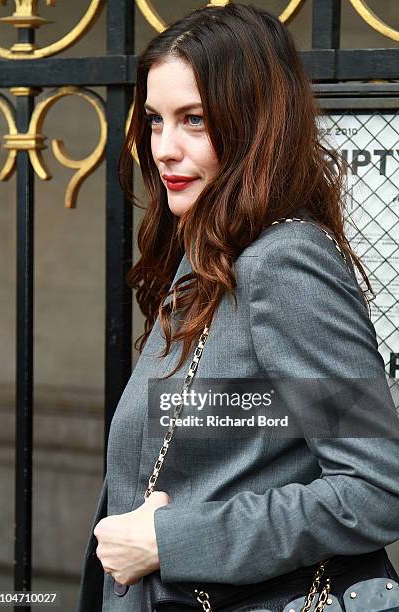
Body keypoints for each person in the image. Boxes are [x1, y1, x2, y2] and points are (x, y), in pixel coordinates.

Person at [77, 4, 399, 611]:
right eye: (154, 120)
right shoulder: (210, 250)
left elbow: (376, 488)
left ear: (256, 125)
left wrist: (171, 540)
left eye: (194, 120)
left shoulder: (284, 262)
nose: (164, 148)